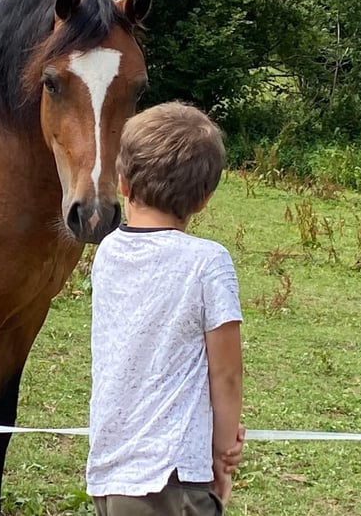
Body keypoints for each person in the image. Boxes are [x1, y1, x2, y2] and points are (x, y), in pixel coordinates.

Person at [86, 101, 244, 516]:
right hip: (174, 482)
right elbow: (226, 373)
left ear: (122, 183)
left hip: (110, 478)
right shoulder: (208, 263)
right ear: (205, 199)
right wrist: (223, 454)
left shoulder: (107, 252)